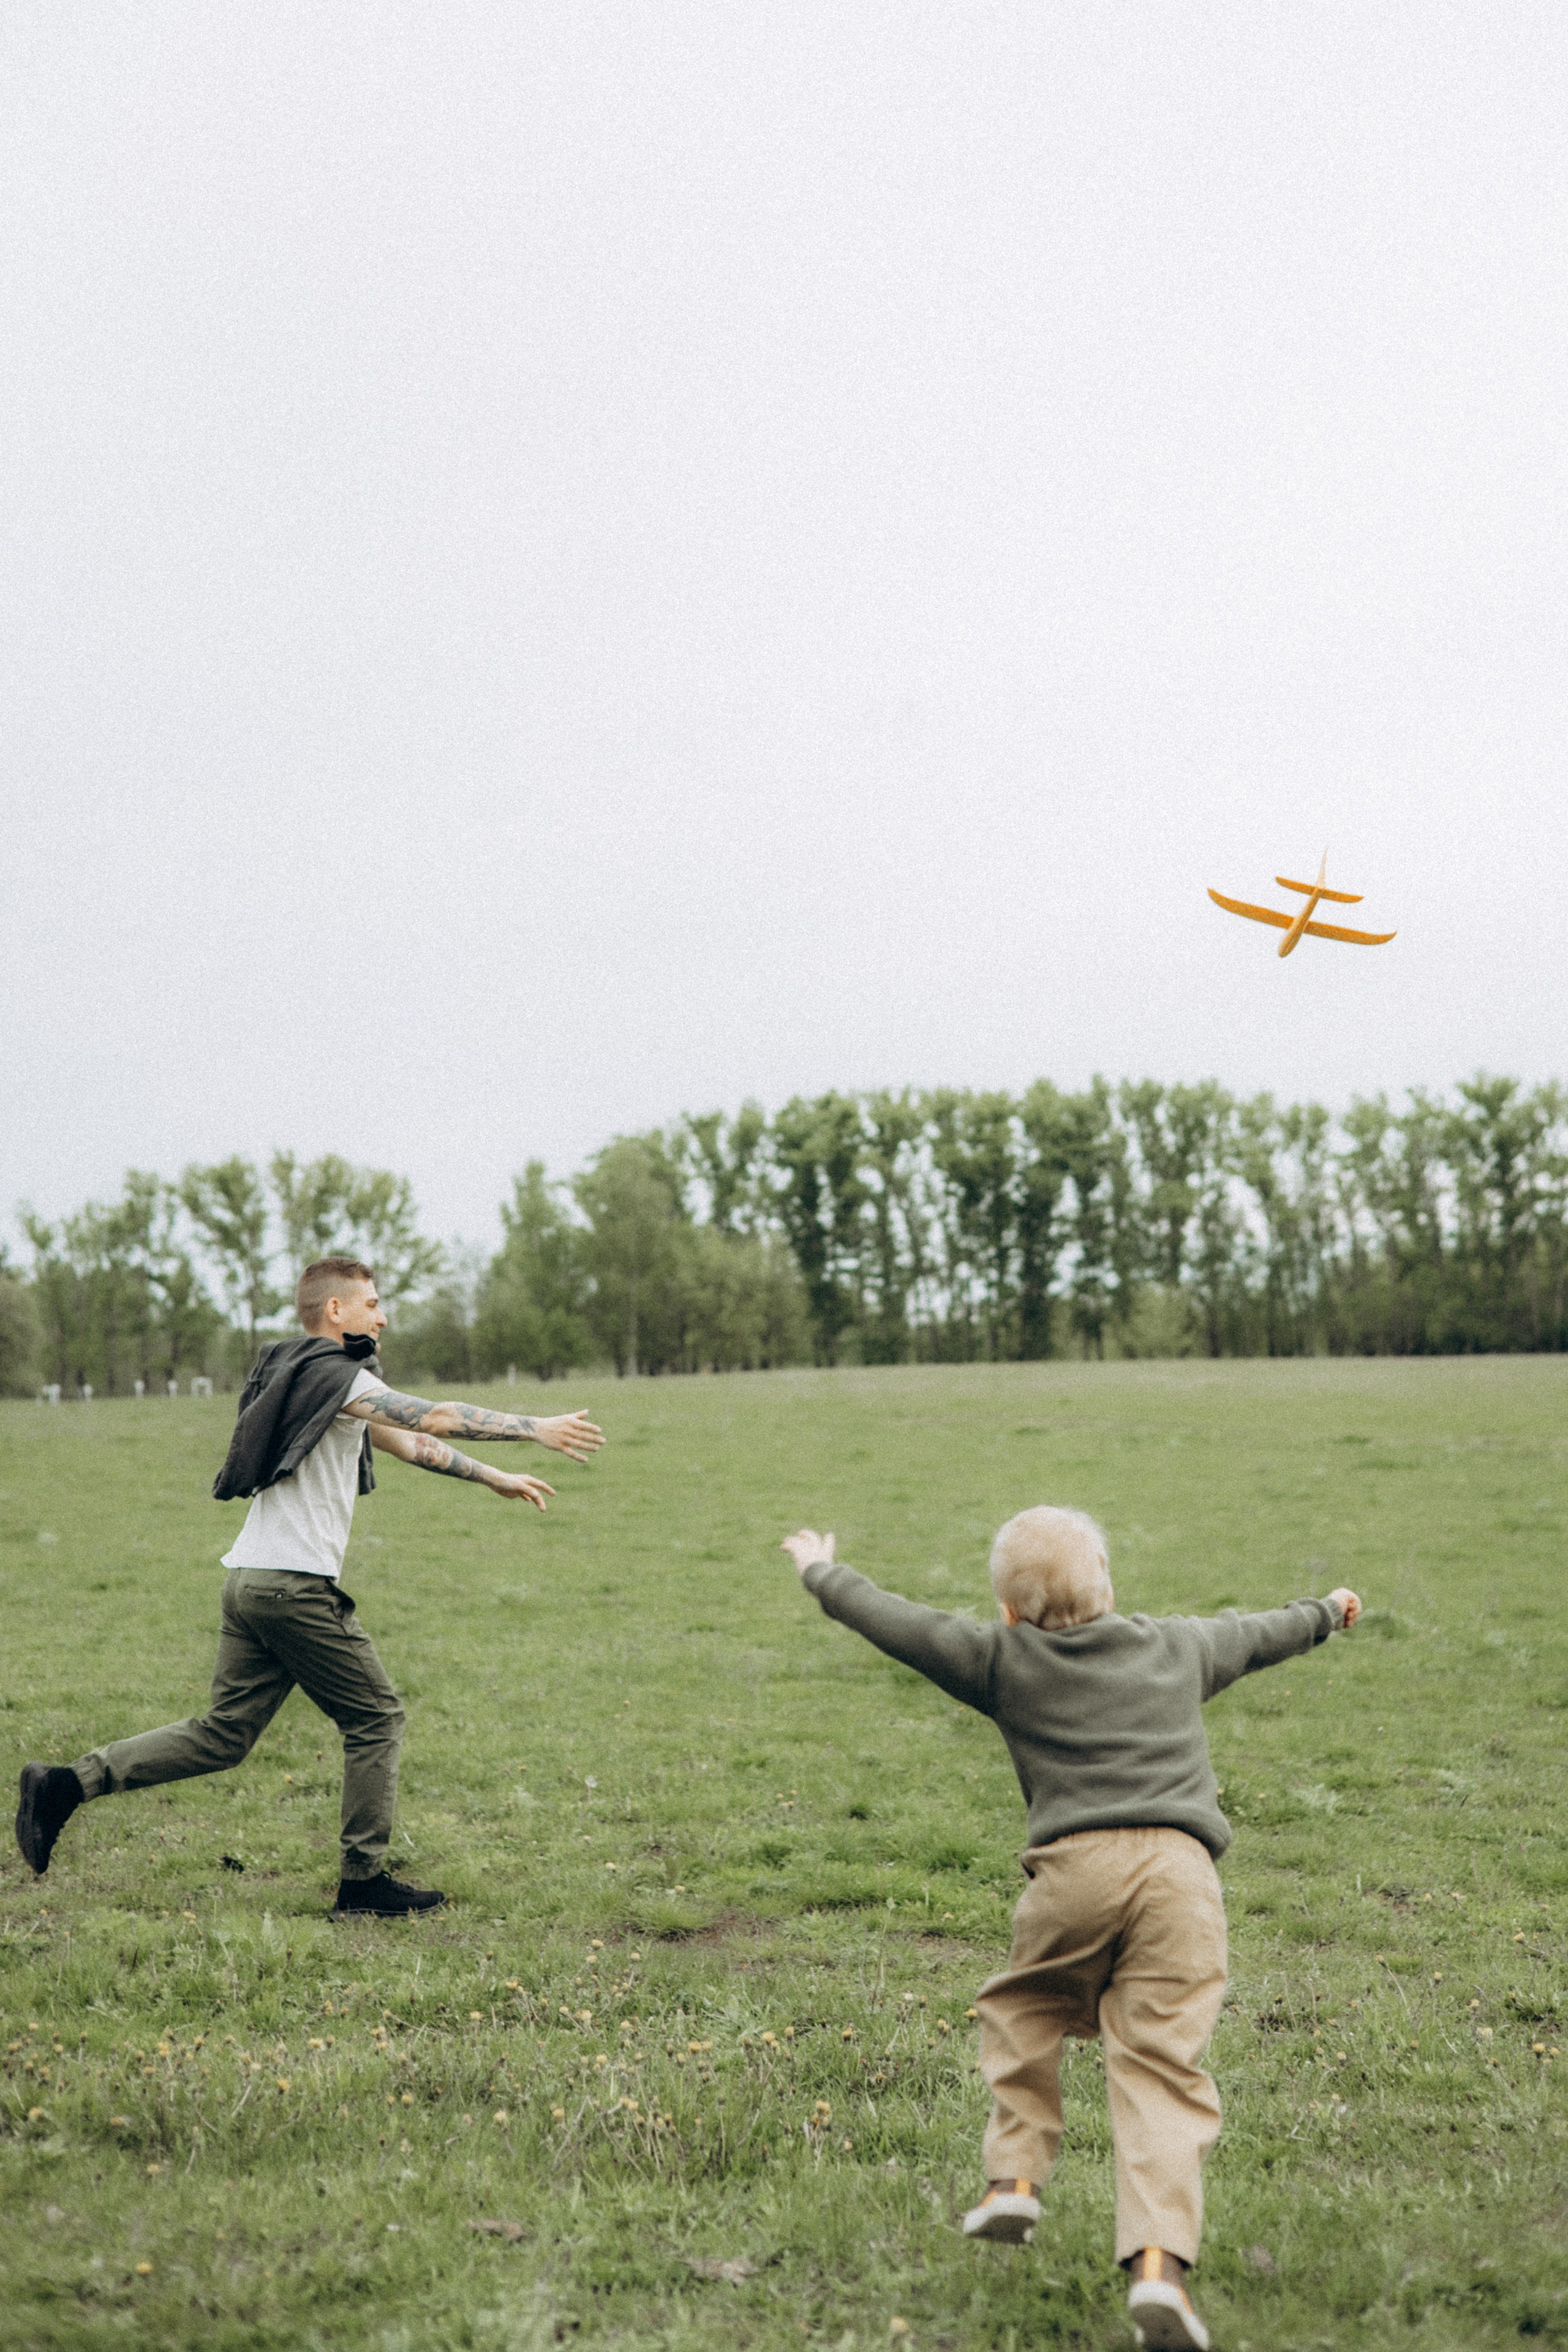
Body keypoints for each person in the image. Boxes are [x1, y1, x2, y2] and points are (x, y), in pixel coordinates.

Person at [778, 1506, 1360, 2352]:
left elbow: (903, 1626)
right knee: (1162, 2068)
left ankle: (1015, 2178)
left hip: (1074, 1871)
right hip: (1184, 1877)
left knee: (1025, 2011)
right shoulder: (1179, 1645)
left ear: (1008, 1612)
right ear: (1111, 1590)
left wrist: (822, 1574)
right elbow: (1257, 1632)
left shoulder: (1000, 1659)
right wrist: (1325, 1613)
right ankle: (1159, 2270)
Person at [15, 1255, 605, 1918]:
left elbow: (411, 1442)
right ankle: (363, 1883)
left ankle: (65, 1784)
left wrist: (493, 1475)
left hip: (250, 1581)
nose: (381, 1316)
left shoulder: (306, 1379)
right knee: (376, 1717)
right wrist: (536, 1429)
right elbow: (432, 1417)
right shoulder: (334, 1373)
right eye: (373, 1303)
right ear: (336, 1311)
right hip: (293, 1587)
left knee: (223, 1735)